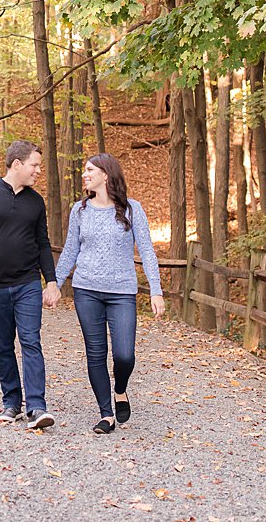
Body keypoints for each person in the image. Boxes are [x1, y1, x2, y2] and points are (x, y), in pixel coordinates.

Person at [52, 153, 163, 434]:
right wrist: (54, 282)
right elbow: (70, 251)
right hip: (86, 289)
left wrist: (156, 290)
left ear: (106, 174)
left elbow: (147, 252)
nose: (84, 175)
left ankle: (121, 389)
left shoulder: (132, 210)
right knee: (96, 352)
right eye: (84, 170)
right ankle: (106, 414)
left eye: (90, 170)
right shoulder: (80, 210)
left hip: (122, 291)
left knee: (125, 354)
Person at [0, 140, 62, 430]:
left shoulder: (36, 202)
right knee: (3, 346)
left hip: (27, 283)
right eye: (34, 165)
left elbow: (43, 244)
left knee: (31, 341)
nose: (38, 171)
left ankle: (36, 407)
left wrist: (51, 281)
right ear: (16, 164)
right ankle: (11, 402)